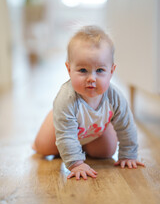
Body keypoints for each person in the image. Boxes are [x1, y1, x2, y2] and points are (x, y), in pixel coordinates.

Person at [32, 25, 145, 180]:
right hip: (63, 126)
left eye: (99, 70)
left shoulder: (115, 97)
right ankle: (56, 126)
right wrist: (76, 163)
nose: (92, 78)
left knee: (106, 151)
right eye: (83, 70)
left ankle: (80, 146)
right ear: (69, 69)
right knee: (44, 148)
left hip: (93, 130)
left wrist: (128, 154)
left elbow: (126, 125)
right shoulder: (66, 98)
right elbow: (65, 134)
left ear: (111, 71)